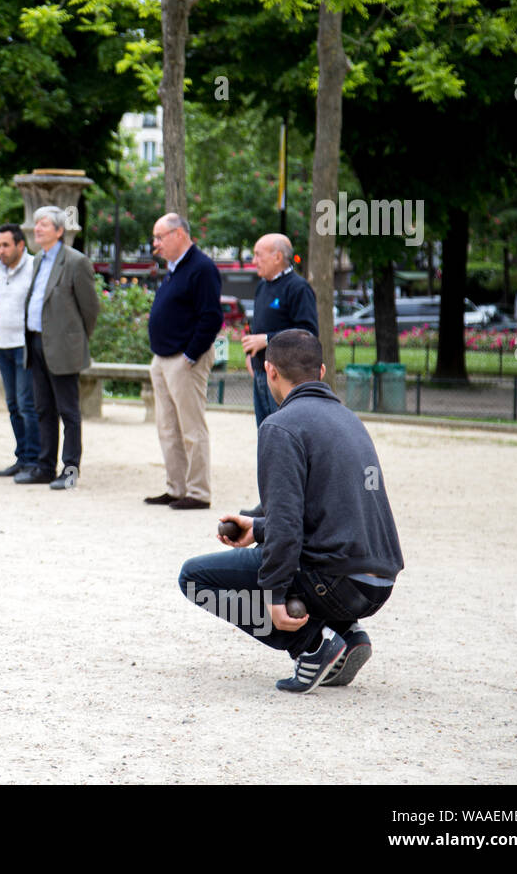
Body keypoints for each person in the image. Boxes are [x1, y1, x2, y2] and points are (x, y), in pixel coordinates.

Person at [178, 330, 403, 693]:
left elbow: (287, 526)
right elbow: (319, 505)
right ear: (323, 371)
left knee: (194, 578)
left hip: (334, 581)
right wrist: (257, 525)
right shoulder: (350, 420)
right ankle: (346, 632)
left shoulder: (281, 425)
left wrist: (275, 597)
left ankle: (313, 645)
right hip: (376, 581)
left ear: (269, 371)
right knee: (272, 550)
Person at [14, 207, 100, 490]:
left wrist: (74, 339)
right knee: (43, 408)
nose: (37, 228)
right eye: (36, 223)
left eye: (44, 224)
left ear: (59, 231)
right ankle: (44, 466)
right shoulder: (38, 260)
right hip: (36, 342)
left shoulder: (76, 262)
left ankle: (70, 470)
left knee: (68, 411)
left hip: (63, 347)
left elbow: (90, 309)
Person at [143, 212, 223, 510]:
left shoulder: (201, 268)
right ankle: (176, 487)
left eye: (160, 237)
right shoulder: (174, 269)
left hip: (184, 359)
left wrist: (191, 354)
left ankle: (198, 492)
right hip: (163, 358)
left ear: (179, 234)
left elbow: (211, 316)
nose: (155, 244)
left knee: (191, 428)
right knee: (167, 427)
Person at [238, 233, 318, 516]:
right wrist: (253, 354)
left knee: (284, 440)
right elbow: (257, 327)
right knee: (267, 440)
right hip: (263, 374)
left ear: (278, 256)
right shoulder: (262, 287)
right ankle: (270, 501)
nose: (253, 259)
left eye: (258, 254)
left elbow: (307, 332)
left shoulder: (298, 288)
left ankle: (287, 503)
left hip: (285, 380)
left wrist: (266, 340)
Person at [0, 223, 40, 477]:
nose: (1, 250)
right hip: (3, 344)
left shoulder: (33, 267)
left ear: (21, 245)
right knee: (12, 404)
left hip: (24, 344)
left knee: (26, 403)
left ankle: (34, 459)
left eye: (6, 245)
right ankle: (21, 456)